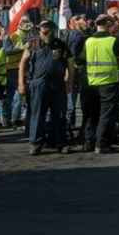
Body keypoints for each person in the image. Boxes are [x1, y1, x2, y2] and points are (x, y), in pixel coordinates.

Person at [19, 20, 73, 154]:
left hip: (58, 85)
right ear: (39, 29)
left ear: (53, 29)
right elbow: (22, 63)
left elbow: (70, 65)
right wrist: (21, 83)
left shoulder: (60, 44)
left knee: (59, 115)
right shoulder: (32, 44)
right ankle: (35, 143)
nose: (46, 30)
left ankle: (60, 143)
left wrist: (69, 82)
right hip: (38, 84)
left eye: (49, 27)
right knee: (37, 115)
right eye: (44, 27)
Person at [82, 15, 119, 153]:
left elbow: (81, 60)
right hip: (109, 82)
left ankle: (89, 142)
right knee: (106, 114)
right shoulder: (113, 40)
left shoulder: (88, 41)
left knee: (91, 114)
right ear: (108, 25)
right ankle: (101, 144)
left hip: (91, 82)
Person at [0, 19, 33, 128]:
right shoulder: (11, 37)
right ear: (19, 24)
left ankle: (15, 119)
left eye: (28, 22)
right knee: (8, 97)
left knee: (20, 96)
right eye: (25, 22)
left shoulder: (29, 37)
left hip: (23, 69)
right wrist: (24, 47)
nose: (28, 24)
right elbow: (7, 50)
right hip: (11, 70)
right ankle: (6, 119)